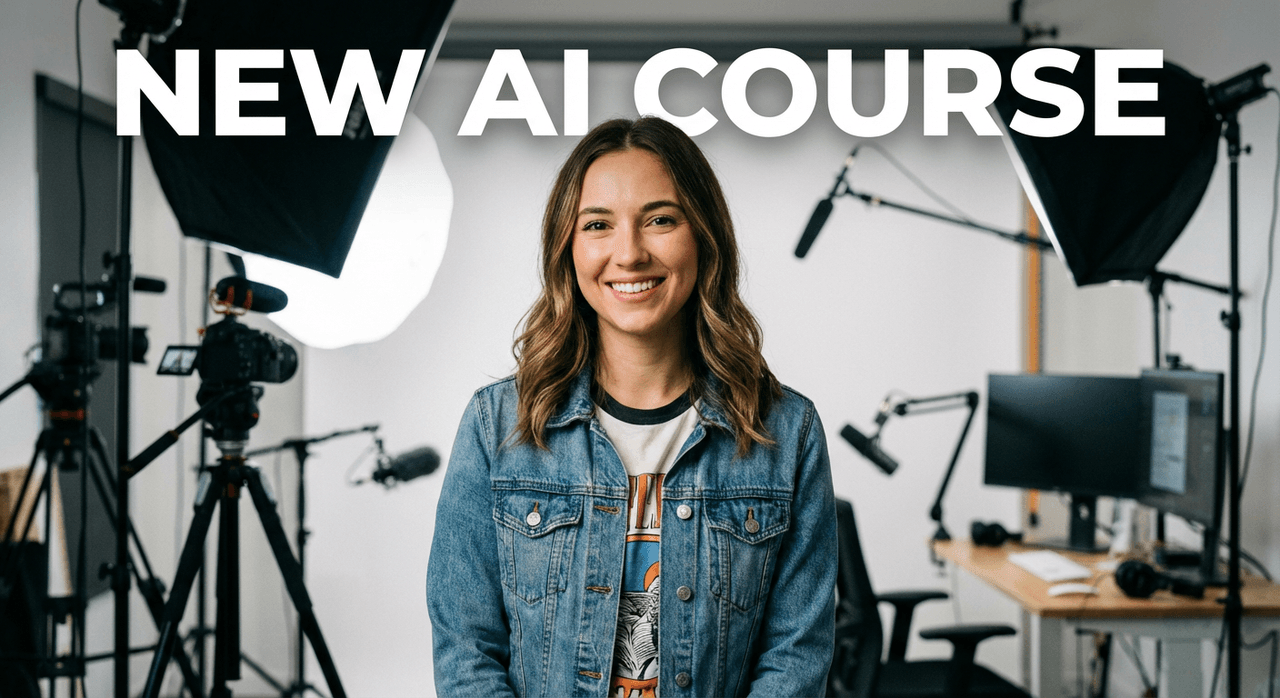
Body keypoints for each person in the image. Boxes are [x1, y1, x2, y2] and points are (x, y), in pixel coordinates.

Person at [426, 116, 836, 697]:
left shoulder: (786, 433)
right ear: (567, 247)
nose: (629, 253)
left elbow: (796, 656)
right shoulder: (499, 427)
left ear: (704, 236)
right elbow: (466, 649)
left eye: (660, 220)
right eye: (598, 225)